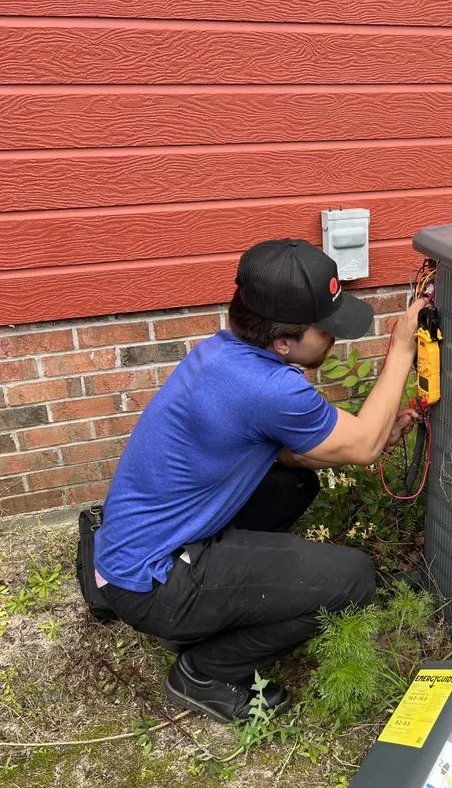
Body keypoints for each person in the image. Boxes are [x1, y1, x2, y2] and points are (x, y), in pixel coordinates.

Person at [94, 238, 424, 723]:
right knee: (352, 579)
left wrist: (369, 433)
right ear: (284, 341)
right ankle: (205, 670)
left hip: (140, 551)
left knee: (294, 482)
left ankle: (208, 615)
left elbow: (294, 452)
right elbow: (364, 448)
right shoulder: (269, 387)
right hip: (152, 581)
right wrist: (401, 348)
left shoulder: (222, 355)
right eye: (326, 328)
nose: (335, 339)